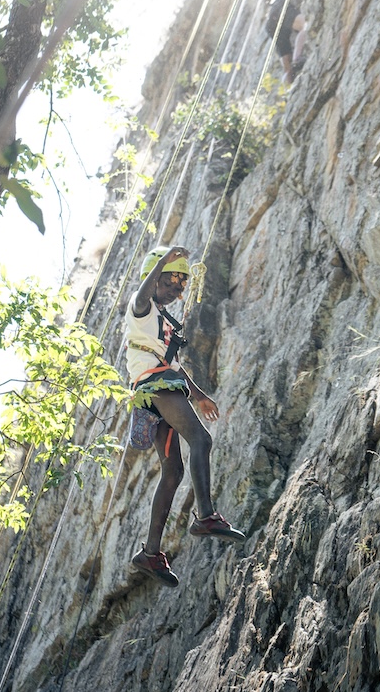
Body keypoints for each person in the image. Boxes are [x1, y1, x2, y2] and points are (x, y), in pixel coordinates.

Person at [126, 245, 245, 587]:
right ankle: (206, 516)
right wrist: (162, 262)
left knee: (173, 471)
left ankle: (150, 553)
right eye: (171, 282)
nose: (177, 289)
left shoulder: (162, 321)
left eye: (181, 284)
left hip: (158, 387)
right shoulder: (142, 308)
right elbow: (142, 293)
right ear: (155, 279)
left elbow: (174, 365)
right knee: (201, 439)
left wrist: (200, 395)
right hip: (157, 386)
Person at [265, 0, 310, 85]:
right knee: (306, 26)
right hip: (282, 8)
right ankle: (298, 58)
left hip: (271, 21)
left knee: (286, 64)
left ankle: (288, 89)